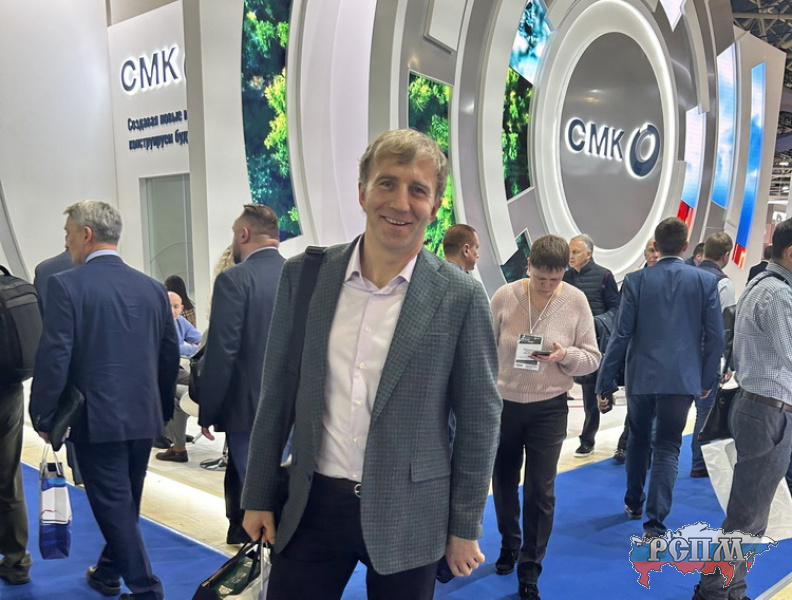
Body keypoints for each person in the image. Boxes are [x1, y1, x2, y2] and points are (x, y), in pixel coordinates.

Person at [241, 129, 501, 600]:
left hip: (411, 511)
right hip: (312, 504)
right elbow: (276, 393)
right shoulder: (305, 276)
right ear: (362, 192)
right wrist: (258, 494)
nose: (400, 203)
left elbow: (479, 420)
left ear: (435, 205)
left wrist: (465, 526)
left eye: (418, 189)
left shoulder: (460, 296)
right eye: (387, 183)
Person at [29, 200, 179, 600]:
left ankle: (147, 591)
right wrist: (162, 410)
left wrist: (44, 415)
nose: (67, 242)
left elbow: (55, 355)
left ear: (87, 234)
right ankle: (110, 570)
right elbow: (168, 354)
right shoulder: (152, 287)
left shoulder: (66, 285)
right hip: (143, 415)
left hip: (97, 419)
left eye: (68, 234)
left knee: (114, 506)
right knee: (126, 503)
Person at [596, 217, 724, 539]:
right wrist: (706, 380)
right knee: (668, 447)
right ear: (685, 246)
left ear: (655, 243)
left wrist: (605, 381)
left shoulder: (636, 281)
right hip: (682, 379)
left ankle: (633, 502)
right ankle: (655, 524)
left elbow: (621, 335)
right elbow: (715, 337)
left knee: (638, 441)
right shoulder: (705, 282)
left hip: (642, 377)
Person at [490, 235, 600, 599]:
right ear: (528, 267)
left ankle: (530, 566)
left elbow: (592, 358)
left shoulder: (575, 300)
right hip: (504, 405)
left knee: (540, 489)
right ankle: (509, 543)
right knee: (504, 480)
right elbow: (483, 349)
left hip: (549, 407)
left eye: (555, 278)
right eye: (540, 278)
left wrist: (563, 355)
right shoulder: (505, 296)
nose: (548, 285)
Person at [692, 219, 792, 600]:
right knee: (747, 517)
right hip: (768, 412)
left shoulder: (762, 283)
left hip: (760, 408)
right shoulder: (778, 295)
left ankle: (731, 589)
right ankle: (714, 592)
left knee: (751, 515)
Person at [198, 204, 285, 545]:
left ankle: (266, 567)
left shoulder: (234, 280)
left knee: (258, 501)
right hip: (297, 412)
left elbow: (223, 353)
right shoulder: (300, 275)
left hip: (249, 413)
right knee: (289, 497)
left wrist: (208, 411)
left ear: (244, 234)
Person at [562, 233, 620, 457]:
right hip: (568, 341)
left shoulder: (604, 275)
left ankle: (587, 439)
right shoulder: (565, 277)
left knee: (589, 395)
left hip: (594, 343)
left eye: (575, 252)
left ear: (589, 253)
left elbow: (616, 308)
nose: (571, 256)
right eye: (569, 251)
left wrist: (597, 323)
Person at [34, 248, 83, 485]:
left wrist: (43, 418)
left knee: (72, 416)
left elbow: (44, 329)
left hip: (65, 366)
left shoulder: (45, 270)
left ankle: (79, 474)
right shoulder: (121, 275)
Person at [690, 232, 736, 477]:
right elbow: (724, 328)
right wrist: (727, 363)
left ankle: (655, 456)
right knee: (705, 411)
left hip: (681, 354)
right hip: (706, 357)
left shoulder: (687, 277)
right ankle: (699, 463)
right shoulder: (723, 284)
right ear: (726, 256)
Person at [155, 291, 202, 463]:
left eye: (176, 307)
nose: (172, 311)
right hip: (155, 371)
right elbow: (168, 348)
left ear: (181, 308)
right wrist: (188, 348)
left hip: (175, 368)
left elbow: (201, 343)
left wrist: (184, 348)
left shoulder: (181, 322)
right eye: (168, 306)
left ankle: (176, 433)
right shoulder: (155, 323)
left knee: (195, 386)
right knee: (173, 393)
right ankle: (163, 433)